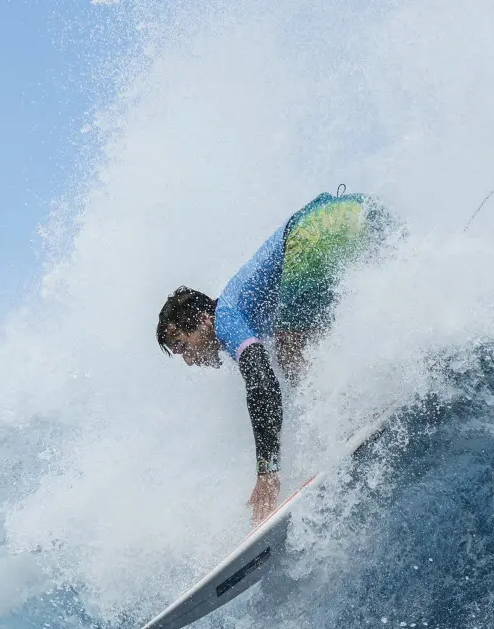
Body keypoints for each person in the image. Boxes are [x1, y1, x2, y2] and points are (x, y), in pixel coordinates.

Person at [156, 189, 394, 525]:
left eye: (182, 345)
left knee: (289, 354)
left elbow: (261, 384)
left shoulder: (226, 314)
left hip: (314, 232)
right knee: (329, 334)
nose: (187, 359)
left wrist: (267, 468)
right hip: (359, 213)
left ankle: (352, 422)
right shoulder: (247, 307)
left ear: (202, 320)